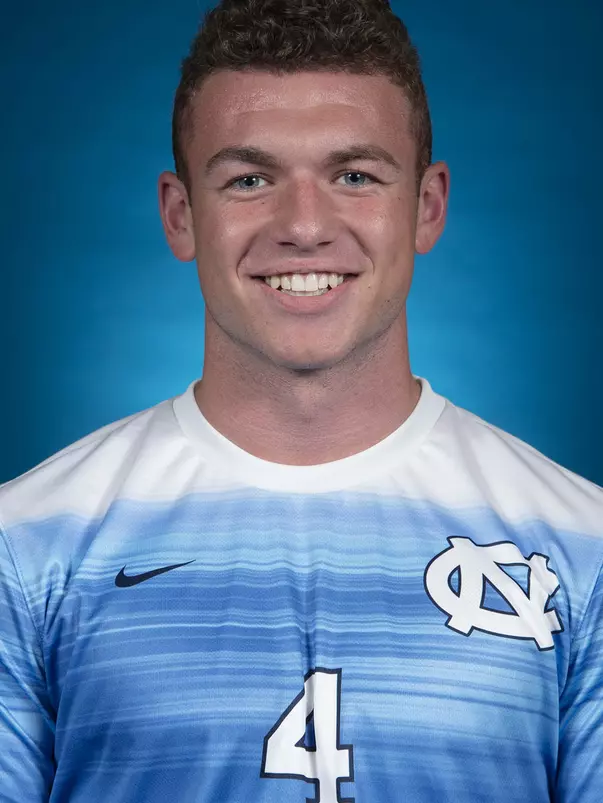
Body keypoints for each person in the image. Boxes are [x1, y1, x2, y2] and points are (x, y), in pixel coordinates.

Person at [0, 0, 601, 800]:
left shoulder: (583, 548)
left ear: (426, 205)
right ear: (181, 215)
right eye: (250, 178)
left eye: (354, 176)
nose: (305, 226)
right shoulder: (25, 547)